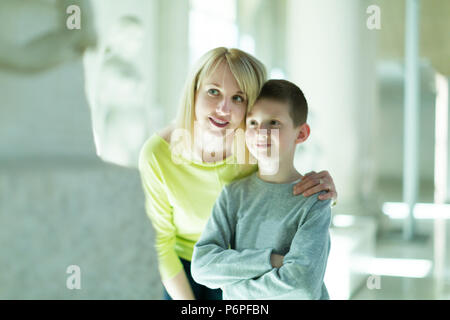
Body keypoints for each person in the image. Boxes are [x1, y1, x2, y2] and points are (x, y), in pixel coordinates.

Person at [138, 47, 337, 300]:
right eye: (213, 92)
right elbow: (160, 245)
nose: (224, 108)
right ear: (194, 91)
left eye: (238, 98)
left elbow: (288, 184)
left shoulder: (253, 143)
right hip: (185, 268)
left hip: (248, 266)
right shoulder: (157, 154)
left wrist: (324, 189)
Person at [191, 79, 332, 299]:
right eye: (253, 122)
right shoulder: (233, 195)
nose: (261, 132)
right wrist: (272, 260)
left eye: (274, 122)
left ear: (301, 134)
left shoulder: (315, 198)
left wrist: (233, 289)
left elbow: (302, 285)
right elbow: (201, 267)